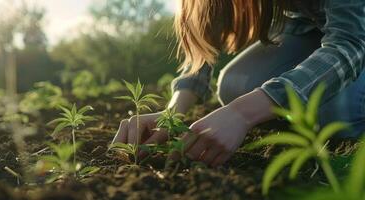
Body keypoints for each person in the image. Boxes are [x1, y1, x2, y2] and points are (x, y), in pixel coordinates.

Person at [112, 0, 365, 167]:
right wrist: (172, 112)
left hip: (355, 36)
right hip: (312, 27)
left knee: (338, 112)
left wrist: (243, 114)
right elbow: (205, 44)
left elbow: (350, 44)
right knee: (235, 84)